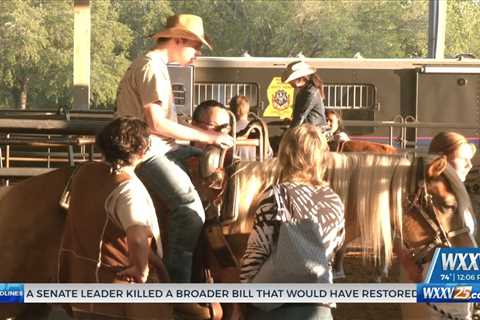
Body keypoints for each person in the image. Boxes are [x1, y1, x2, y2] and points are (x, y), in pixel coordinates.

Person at [115, 14, 233, 283]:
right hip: (147, 153)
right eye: (195, 45)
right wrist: (210, 136)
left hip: (160, 148)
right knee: (190, 209)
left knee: (209, 166)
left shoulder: (156, 66)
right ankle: (176, 288)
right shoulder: (152, 68)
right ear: (179, 40)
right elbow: (156, 123)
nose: (198, 53)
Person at [59, 117, 172, 319]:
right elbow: (137, 237)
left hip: (82, 293)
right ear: (143, 149)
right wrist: (140, 269)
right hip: (119, 300)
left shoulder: (84, 173)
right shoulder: (128, 189)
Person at [240, 124, 345, 320]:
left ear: (286, 154)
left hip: (274, 308)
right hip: (319, 307)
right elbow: (334, 249)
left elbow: (255, 254)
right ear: (321, 158)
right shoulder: (335, 201)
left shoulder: (275, 196)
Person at [282, 60, 327, 129]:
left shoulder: (310, 93)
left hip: (316, 131)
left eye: (291, 80)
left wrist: (290, 131)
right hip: (308, 129)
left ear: (301, 78)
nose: (289, 83)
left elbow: (301, 116)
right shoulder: (303, 92)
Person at [229, 95, 273, 161]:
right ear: (248, 109)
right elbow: (269, 154)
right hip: (255, 168)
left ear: (231, 110)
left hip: (235, 169)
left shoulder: (229, 130)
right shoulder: (258, 130)